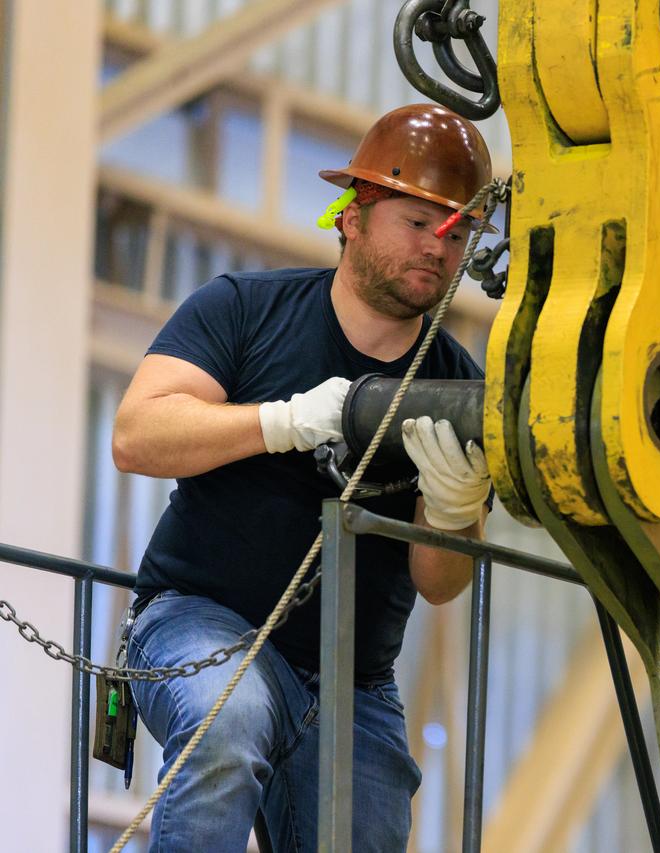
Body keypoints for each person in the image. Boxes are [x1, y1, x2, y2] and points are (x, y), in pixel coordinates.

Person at [111, 103, 495, 852]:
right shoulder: (244, 310)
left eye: (457, 234)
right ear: (352, 216)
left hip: (353, 682)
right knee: (229, 722)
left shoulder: (455, 387)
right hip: (199, 621)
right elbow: (136, 434)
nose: (438, 248)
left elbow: (443, 584)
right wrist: (279, 421)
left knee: (365, 834)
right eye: (418, 222)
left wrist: (453, 510)